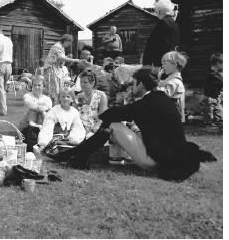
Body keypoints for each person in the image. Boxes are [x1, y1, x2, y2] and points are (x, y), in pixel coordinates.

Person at [58, 67, 216, 181]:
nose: (131, 87)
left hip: (154, 160)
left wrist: (119, 103)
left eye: (133, 84)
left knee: (112, 124)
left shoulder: (146, 103)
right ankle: (77, 156)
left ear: (141, 85)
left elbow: (108, 114)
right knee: (117, 125)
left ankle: (76, 157)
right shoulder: (162, 99)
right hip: (168, 154)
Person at [35, 88, 86, 152]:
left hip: (69, 138)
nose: (65, 99)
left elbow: (78, 127)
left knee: (77, 145)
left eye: (68, 96)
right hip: (56, 137)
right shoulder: (53, 111)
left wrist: (74, 138)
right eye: (63, 96)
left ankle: (68, 150)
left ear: (72, 99)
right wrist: (43, 143)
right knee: (56, 144)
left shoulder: (74, 112)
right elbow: (47, 128)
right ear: (59, 98)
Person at [142, 0, 180, 69]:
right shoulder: (175, 25)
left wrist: (147, 64)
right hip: (173, 61)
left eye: (156, 12)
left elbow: (154, 45)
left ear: (159, 12)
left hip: (162, 63)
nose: (156, 14)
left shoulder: (162, 24)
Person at [18, 76, 53, 151]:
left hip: (41, 123)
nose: (37, 87)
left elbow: (49, 107)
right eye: (35, 85)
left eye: (39, 85)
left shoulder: (47, 99)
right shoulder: (27, 96)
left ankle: (35, 139)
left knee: (39, 112)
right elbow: (29, 104)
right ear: (32, 86)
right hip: (27, 125)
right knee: (33, 111)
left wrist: (42, 111)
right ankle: (33, 139)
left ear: (43, 86)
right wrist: (42, 110)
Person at [75, 70, 108, 137]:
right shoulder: (78, 97)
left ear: (92, 83)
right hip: (81, 127)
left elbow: (103, 116)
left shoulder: (101, 95)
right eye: (81, 81)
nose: (82, 84)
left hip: (96, 127)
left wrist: (96, 127)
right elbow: (75, 116)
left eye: (85, 82)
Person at [157, 51, 187, 123]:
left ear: (174, 65)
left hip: (173, 112)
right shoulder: (171, 78)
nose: (162, 67)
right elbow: (162, 84)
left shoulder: (175, 81)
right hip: (170, 111)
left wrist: (155, 87)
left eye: (164, 64)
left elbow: (165, 93)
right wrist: (158, 78)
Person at [204, 53, 223, 126]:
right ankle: (208, 124)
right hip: (210, 99)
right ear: (218, 63)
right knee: (209, 115)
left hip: (216, 98)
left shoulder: (215, 73)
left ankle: (217, 121)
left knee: (219, 114)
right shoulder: (212, 74)